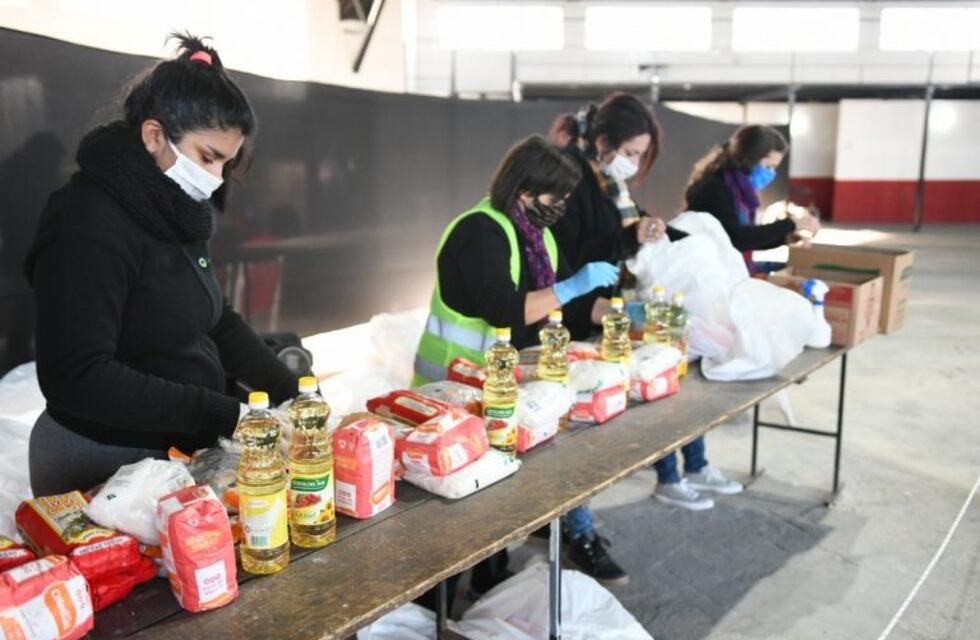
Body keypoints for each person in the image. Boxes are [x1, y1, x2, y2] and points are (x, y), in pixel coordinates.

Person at [24, 34, 299, 497]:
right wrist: (225, 414)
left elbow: (215, 320)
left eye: (225, 164)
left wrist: (290, 391)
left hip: (172, 451)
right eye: (207, 158)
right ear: (154, 136)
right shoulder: (86, 221)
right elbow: (78, 375)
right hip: (103, 460)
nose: (214, 181)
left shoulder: (174, 208)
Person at [412, 135, 628, 587]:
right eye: (557, 196)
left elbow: (567, 301)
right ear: (525, 191)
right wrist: (571, 289)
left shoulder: (538, 234)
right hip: (456, 393)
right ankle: (434, 603)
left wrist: (615, 312)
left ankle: (490, 579)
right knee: (458, 507)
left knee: (502, 496)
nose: (563, 206)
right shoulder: (481, 231)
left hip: (505, 391)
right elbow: (504, 309)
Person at [550, 93, 742, 511]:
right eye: (631, 152)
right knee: (582, 423)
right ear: (603, 140)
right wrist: (628, 237)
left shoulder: (607, 180)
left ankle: (684, 470)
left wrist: (668, 235)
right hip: (577, 312)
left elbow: (628, 220)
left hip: (608, 306)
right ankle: (577, 527)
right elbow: (571, 250)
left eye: (640, 154)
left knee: (657, 382)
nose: (634, 163)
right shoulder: (571, 178)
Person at [685, 124, 821, 274]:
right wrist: (793, 223)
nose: (771, 173)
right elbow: (737, 239)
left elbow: (749, 240)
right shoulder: (717, 188)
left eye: (774, 168)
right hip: (707, 273)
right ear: (750, 159)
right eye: (768, 166)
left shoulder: (739, 191)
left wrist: (786, 238)